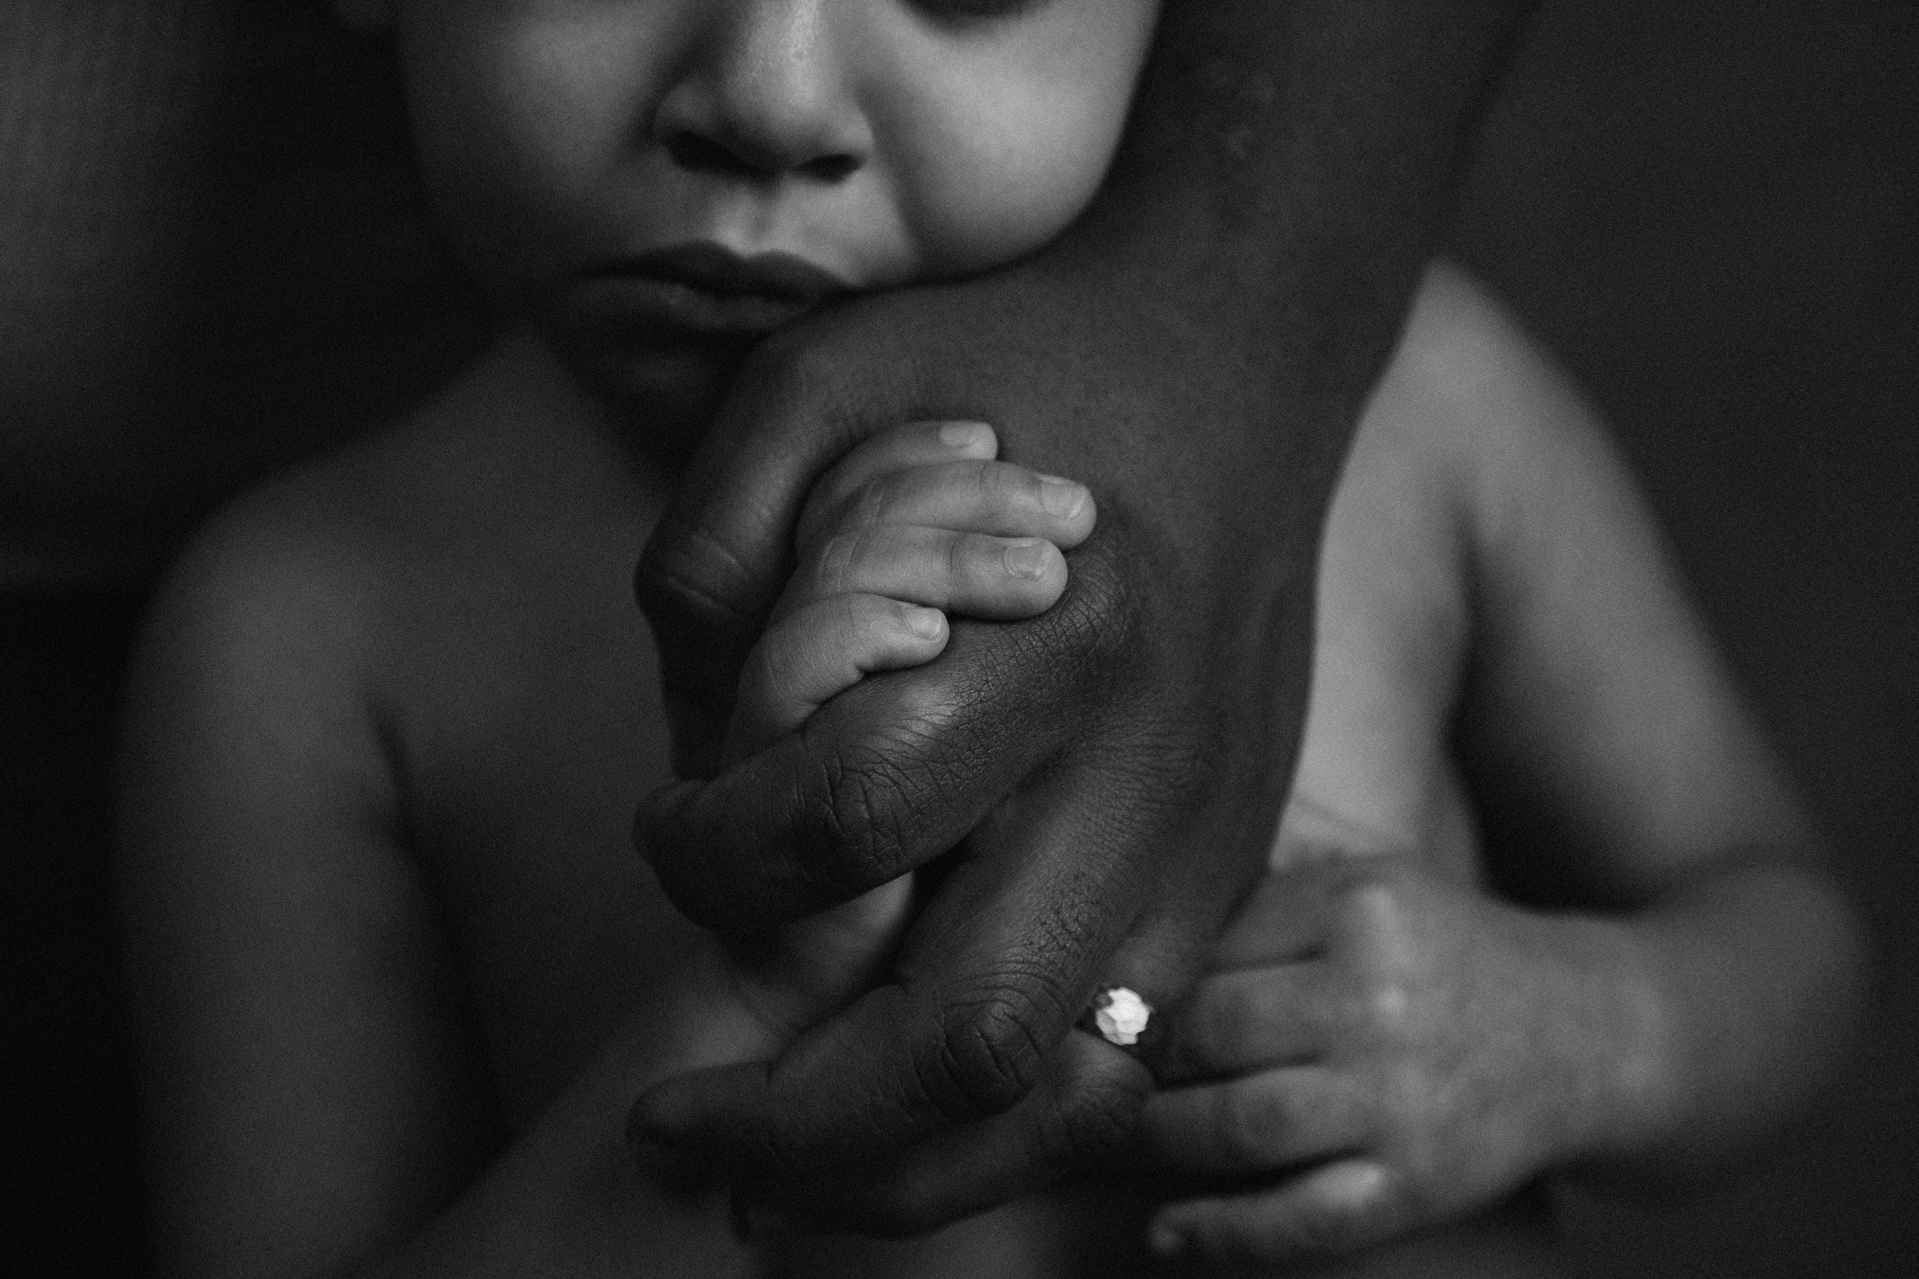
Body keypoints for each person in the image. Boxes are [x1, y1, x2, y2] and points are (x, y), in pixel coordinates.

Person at [115, 0, 1861, 1276]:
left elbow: (1784, 933)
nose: (770, 96)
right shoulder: (314, 628)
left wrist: (1573, 1034)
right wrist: (743, 1016)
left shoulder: (1409, 401)